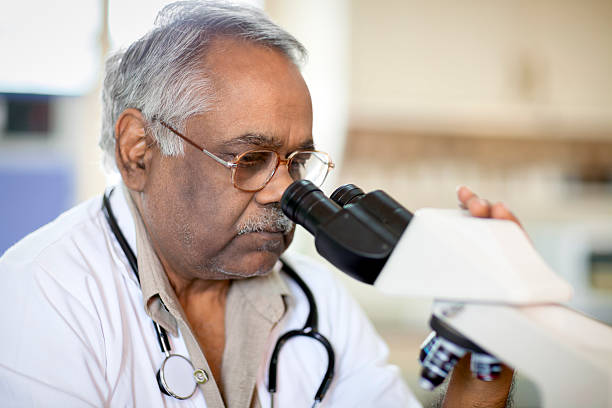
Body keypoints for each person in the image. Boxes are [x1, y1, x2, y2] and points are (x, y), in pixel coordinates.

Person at [0, 1, 515, 407]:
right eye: (250, 159)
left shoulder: (317, 300)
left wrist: (481, 379)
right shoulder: (41, 297)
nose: (285, 191)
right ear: (139, 150)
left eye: (299, 161)